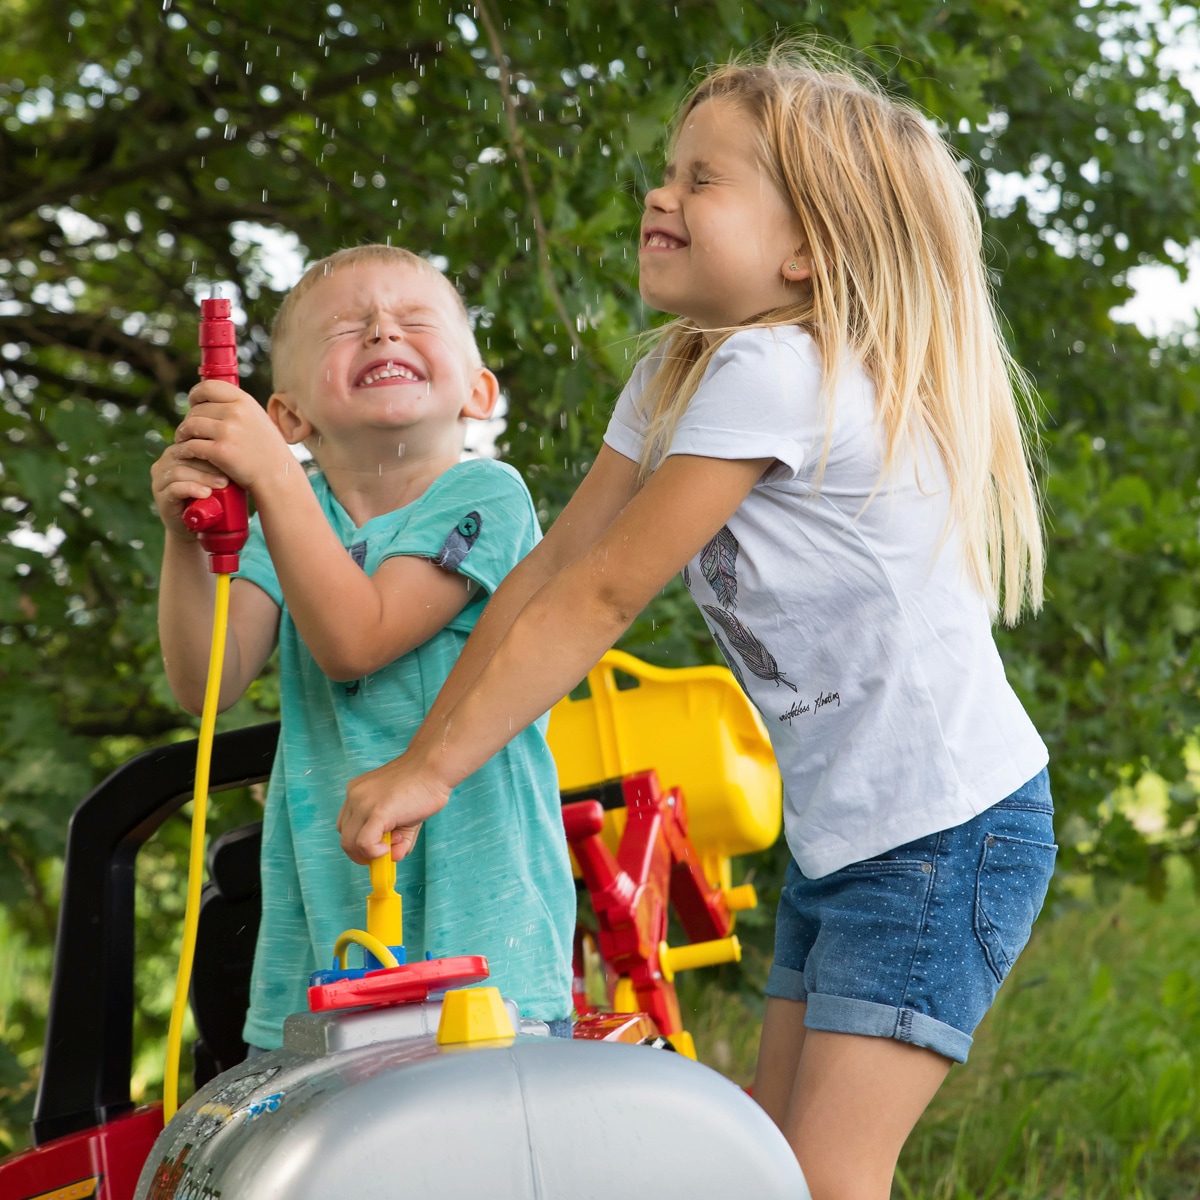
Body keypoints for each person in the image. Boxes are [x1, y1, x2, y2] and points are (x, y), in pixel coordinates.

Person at [337, 48, 1058, 1199]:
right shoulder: (682, 372)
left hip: (944, 841)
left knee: (824, 1178)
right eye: (668, 170)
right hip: (853, 844)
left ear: (806, 249)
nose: (660, 194)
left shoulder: (783, 372)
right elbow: (552, 568)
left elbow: (606, 596)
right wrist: (432, 758)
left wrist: (433, 770)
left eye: (705, 179)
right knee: (765, 1169)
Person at [151, 244, 575, 1052]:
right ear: (290, 415)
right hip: (328, 912)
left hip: (480, 915)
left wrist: (270, 480)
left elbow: (359, 639)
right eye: (348, 328)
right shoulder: (291, 513)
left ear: (477, 392)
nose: (383, 331)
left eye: (414, 320)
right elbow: (207, 681)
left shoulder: (487, 494)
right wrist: (186, 542)